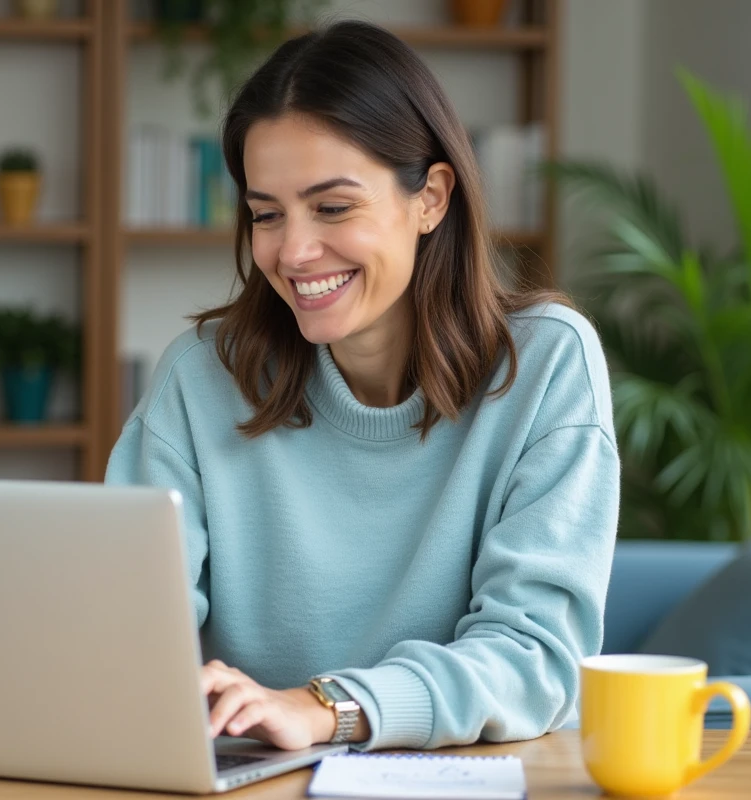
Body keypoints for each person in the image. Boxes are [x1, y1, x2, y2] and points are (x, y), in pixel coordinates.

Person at [105, 19, 619, 753]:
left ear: (432, 198)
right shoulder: (201, 376)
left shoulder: (544, 366)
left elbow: (535, 659)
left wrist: (327, 709)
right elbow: (124, 624)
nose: (294, 251)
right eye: (265, 215)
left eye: (334, 207)